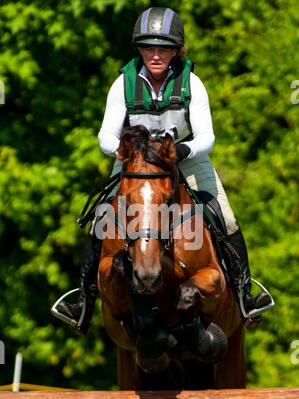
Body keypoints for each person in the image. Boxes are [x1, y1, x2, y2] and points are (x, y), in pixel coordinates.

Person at [55, 7, 273, 334]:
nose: (156, 55)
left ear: (176, 50)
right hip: (137, 164)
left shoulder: (191, 82)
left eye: (164, 48)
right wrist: (124, 153)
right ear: (139, 48)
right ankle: (82, 302)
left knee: (225, 216)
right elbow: (105, 134)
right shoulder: (122, 83)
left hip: (185, 156)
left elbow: (207, 136)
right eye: (149, 47)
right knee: (100, 220)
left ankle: (245, 293)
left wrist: (182, 150)